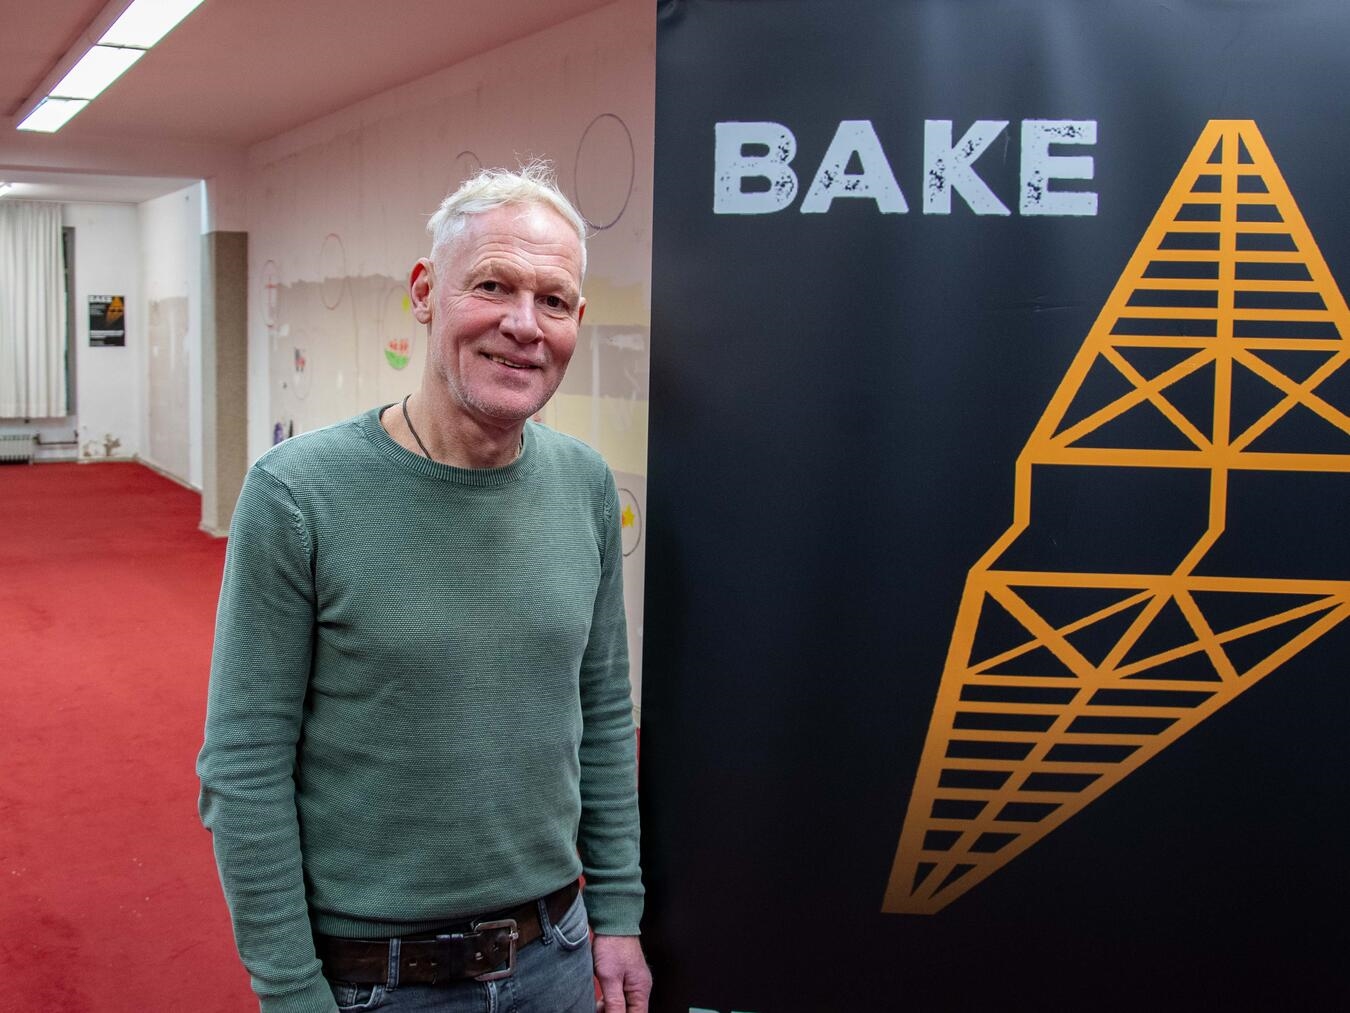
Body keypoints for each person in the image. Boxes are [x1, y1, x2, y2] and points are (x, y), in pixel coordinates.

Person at [197, 163, 651, 1013]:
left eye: (553, 301)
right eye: (491, 285)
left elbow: (601, 711)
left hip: (556, 955)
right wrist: (291, 992)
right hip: (376, 981)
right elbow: (243, 766)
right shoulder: (298, 494)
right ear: (425, 293)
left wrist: (617, 910)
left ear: (577, 322)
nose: (523, 325)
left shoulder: (584, 483)